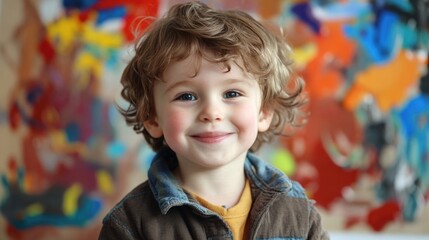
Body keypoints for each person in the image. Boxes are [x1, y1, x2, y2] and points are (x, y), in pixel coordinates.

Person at [99, 1, 329, 239]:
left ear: (264, 112)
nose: (212, 112)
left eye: (232, 93)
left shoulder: (298, 212)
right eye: (186, 96)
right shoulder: (130, 224)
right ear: (152, 118)